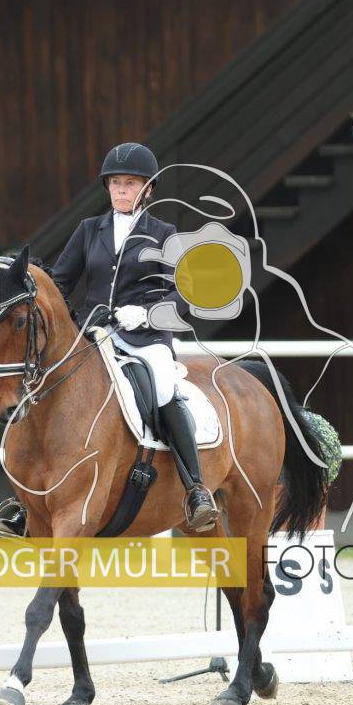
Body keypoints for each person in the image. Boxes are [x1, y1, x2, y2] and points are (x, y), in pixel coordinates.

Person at [19, 142, 219, 533]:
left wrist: (146, 313)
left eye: (130, 183)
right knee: (42, 388)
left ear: (148, 189)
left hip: (146, 340)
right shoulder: (88, 230)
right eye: (115, 183)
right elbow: (59, 284)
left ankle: (195, 488)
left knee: (163, 388)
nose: (122, 190)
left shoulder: (164, 234)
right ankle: (22, 499)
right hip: (94, 337)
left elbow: (185, 294)